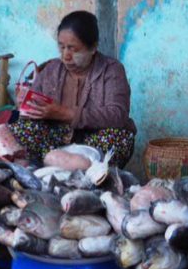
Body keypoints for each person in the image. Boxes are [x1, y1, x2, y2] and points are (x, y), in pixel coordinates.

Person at [10, 10, 137, 166]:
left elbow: (118, 115)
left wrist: (65, 113)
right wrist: (23, 107)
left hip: (94, 141)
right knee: (17, 125)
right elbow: (24, 114)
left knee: (119, 137)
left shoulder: (111, 70)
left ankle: (81, 166)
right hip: (55, 142)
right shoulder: (51, 69)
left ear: (93, 48)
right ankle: (58, 161)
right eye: (61, 47)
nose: (65, 55)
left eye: (73, 49)